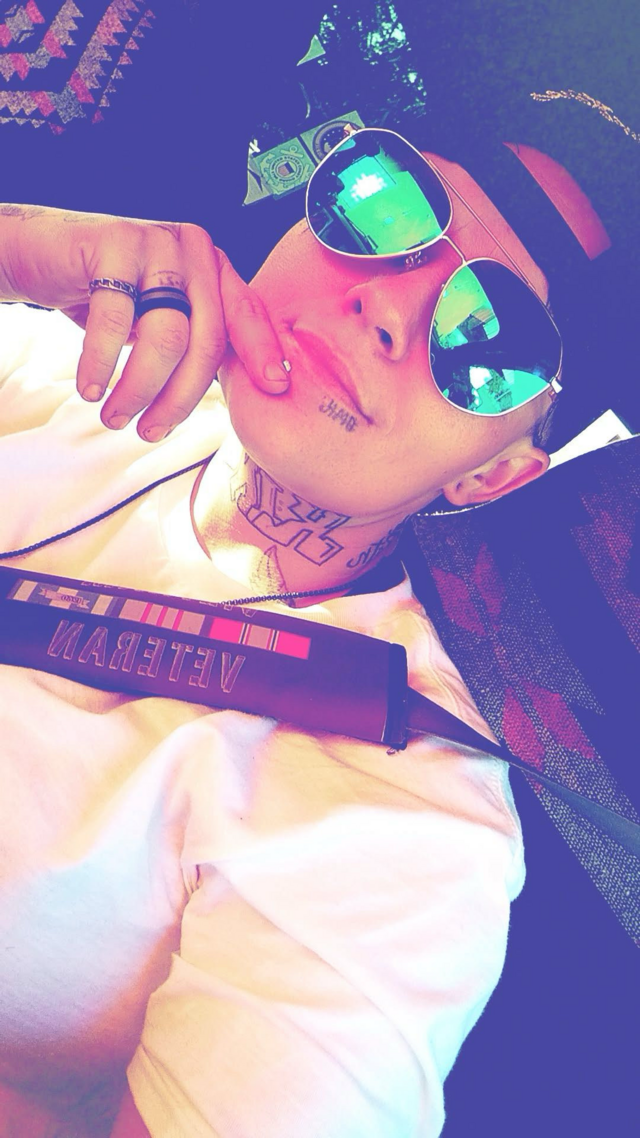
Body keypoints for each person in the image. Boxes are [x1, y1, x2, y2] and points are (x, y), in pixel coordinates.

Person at [0, 127, 616, 1138]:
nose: (388, 304)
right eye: (383, 208)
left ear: (493, 474)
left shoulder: (398, 821)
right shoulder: (75, 371)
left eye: (490, 340)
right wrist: (19, 249)